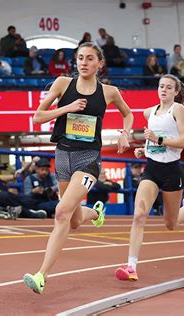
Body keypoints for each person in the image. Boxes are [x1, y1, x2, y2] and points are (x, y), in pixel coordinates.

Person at [23, 42, 133, 294]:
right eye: (80, 58)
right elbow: (38, 116)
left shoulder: (109, 92)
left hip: (88, 159)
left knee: (61, 212)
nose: (83, 62)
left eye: (89, 58)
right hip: (62, 155)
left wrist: (125, 134)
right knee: (72, 220)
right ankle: (95, 214)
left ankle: (41, 275)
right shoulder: (62, 83)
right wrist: (68, 108)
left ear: (99, 64)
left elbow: (128, 114)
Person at [115, 74, 184, 281]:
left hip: (172, 171)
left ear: (175, 92)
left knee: (170, 224)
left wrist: (158, 139)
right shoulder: (148, 112)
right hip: (152, 170)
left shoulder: (177, 110)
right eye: (161, 86)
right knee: (139, 215)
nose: (164, 90)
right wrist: (144, 150)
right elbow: (152, 138)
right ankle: (131, 267)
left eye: (169, 87)